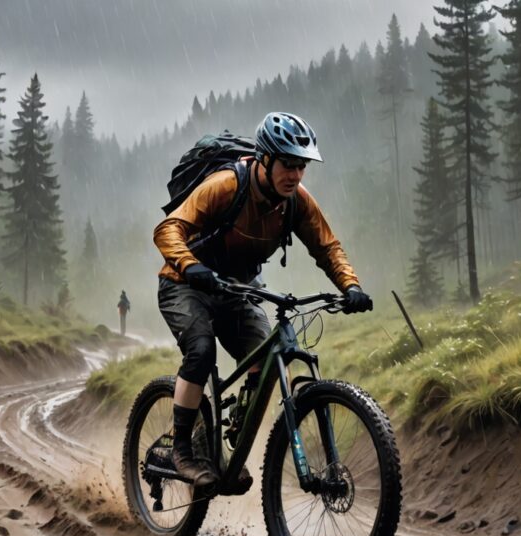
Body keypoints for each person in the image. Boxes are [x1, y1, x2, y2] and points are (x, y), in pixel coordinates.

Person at [153, 112, 373, 487]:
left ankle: (230, 440)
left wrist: (350, 286)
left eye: (302, 166)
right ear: (265, 159)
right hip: (185, 283)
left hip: (238, 289)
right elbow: (168, 228)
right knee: (201, 350)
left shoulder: (296, 201)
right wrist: (190, 266)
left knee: (267, 359)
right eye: (289, 164)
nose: (296, 174)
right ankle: (183, 449)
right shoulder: (225, 186)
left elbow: (328, 247)